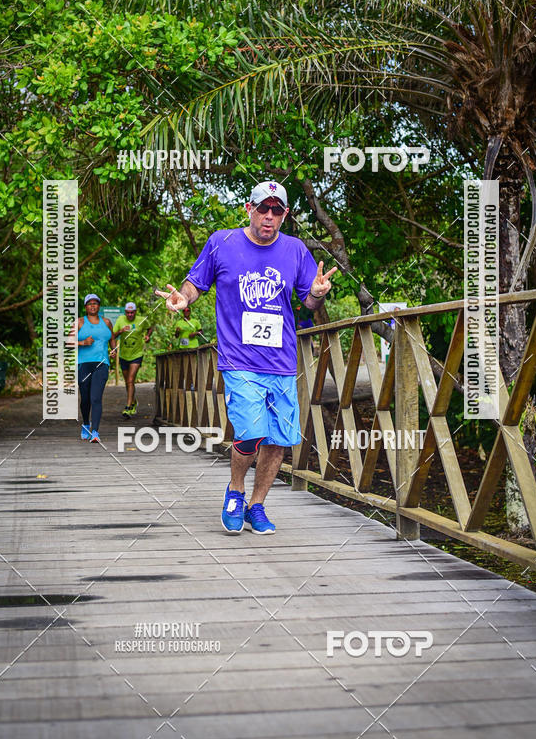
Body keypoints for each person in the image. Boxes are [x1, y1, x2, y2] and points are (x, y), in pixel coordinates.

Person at [156, 179, 336, 535]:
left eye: (277, 210)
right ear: (249, 209)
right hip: (239, 359)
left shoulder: (296, 250)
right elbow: (196, 283)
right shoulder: (222, 242)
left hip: (282, 362)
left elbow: (309, 303)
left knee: (278, 440)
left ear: (285, 215)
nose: (269, 216)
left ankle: (257, 505)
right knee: (252, 431)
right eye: (263, 208)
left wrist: (317, 293)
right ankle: (235, 491)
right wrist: (185, 299)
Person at [68, 294, 115, 443]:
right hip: (83, 364)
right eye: (90, 304)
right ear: (85, 306)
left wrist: (113, 350)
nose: (93, 306)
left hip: (101, 364)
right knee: (86, 399)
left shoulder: (107, 322)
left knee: (96, 397)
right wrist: (83, 343)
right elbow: (69, 343)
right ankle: (86, 425)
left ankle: (95, 432)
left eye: (95, 303)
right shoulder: (79, 322)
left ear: (99, 306)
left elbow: (112, 339)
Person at [112, 302, 153, 418]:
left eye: (132, 312)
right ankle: (133, 401)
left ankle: (128, 406)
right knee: (127, 382)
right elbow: (113, 336)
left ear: (135, 312)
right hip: (124, 355)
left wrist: (147, 336)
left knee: (130, 380)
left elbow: (150, 328)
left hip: (137, 354)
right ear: (125, 312)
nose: (130, 315)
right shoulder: (120, 320)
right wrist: (120, 331)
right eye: (128, 313)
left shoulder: (141, 320)